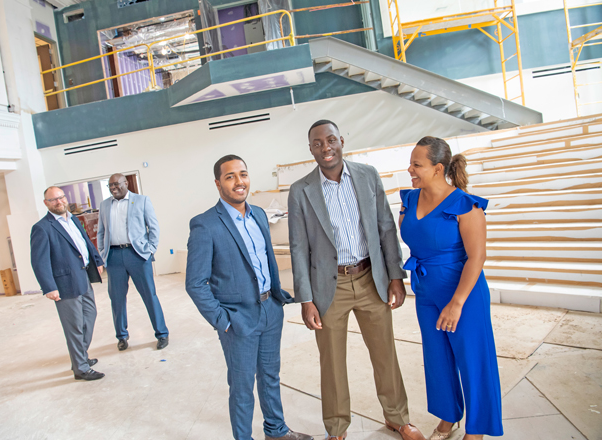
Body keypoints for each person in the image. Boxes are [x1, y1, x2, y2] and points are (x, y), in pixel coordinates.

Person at [288, 120, 425, 440]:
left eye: (331, 140)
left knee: (385, 353)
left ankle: (398, 417)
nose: (326, 147)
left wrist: (395, 276)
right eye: (318, 143)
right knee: (332, 363)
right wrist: (305, 299)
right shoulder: (300, 191)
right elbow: (298, 248)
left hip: (369, 279)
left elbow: (386, 228)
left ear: (342, 141)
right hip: (328, 287)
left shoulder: (367, 176)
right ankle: (336, 429)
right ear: (311, 149)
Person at [185, 155, 312, 440]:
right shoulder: (205, 225)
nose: (239, 181)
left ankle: (276, 431)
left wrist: (278, 300)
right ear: (218, 184)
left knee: (270, 377)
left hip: (270, 310)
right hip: (237, 320)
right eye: (230, 176)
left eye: (243, 174)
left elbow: (266, 261)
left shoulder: (257, 214)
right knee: (241, 387)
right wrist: (223, 320)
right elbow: (195, 283)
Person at [399, 136, 503, 440]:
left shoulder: (465, 206)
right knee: (437, 357)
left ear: (438, 168)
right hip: (426, 291)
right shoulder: (409, 200)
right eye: (411, 163)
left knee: (473, 359)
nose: (410, 170)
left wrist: (456, 303)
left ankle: (479, 429)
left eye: (417, 165)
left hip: (463, 294)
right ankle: (448, 416)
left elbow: (477, 257)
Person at [30, 186, 105, 381]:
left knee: (89, 316)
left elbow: (85, 243)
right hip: (64, 284)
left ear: (65, 198)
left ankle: (79, 358)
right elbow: (39, 261)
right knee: (74, 327)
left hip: (83, 278)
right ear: (46, 203)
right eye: (53, 200)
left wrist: (96, 261)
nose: (59, 202)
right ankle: (81, 368)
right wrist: (49, 287)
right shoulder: (42, 227)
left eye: (61, 197)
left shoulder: (72, 219)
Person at [97, 173, 169, 351]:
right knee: (117, 299)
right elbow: (101, 232)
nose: (113, 188)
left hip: (137, 254)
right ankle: (121, 336)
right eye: (110, 186)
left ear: (125, 183)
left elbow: (153, 226)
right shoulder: (105, 205)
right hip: (114, 257)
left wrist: (150, 248)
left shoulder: (142, 200)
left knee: (149, 295)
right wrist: (102, 253)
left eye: (116, 184)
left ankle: (161, 333)